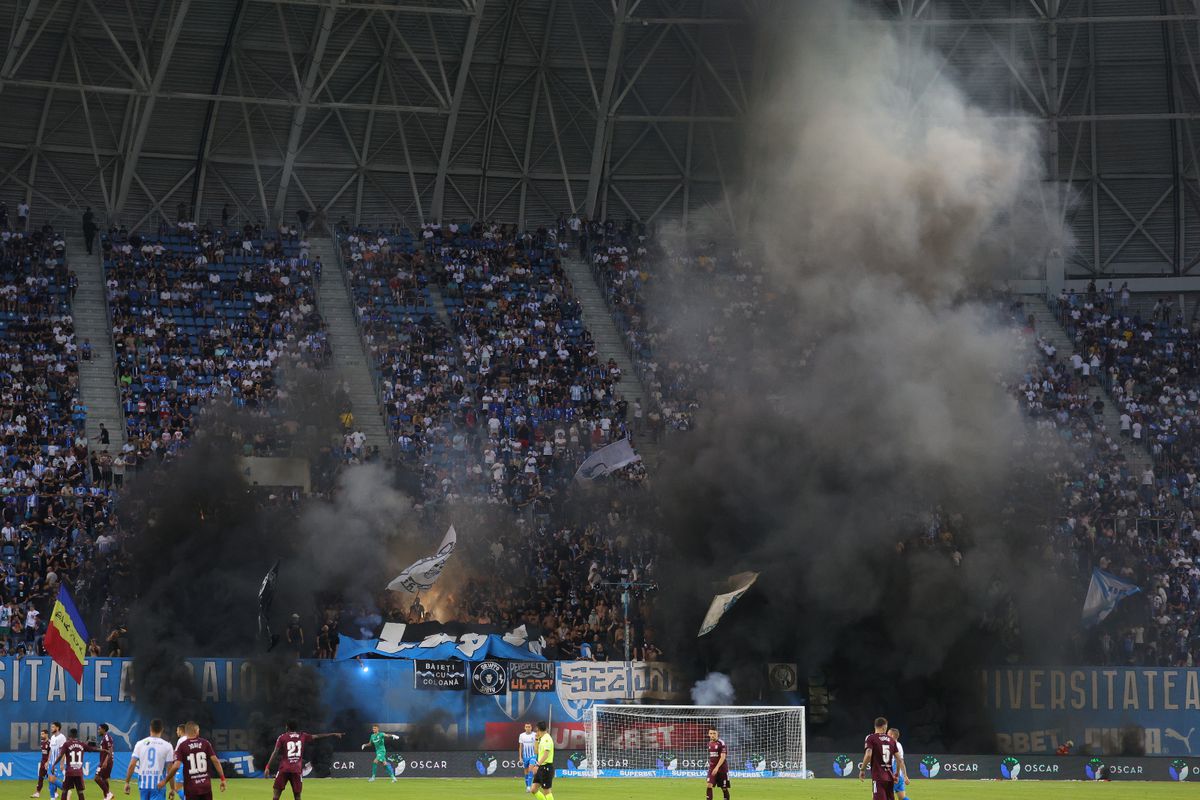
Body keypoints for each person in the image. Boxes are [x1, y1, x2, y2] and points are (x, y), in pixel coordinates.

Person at [263, 720, 342, 799]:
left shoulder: (282, 737)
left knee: (276, 794)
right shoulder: (302, 736)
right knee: (297, 796)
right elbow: (317, 736)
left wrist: (267, 767)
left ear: (287, 727)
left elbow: (275, 752)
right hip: (296, 770)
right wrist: (333, 734)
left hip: (284, 769)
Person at [159, 722, 225, 800]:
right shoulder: (205, 743)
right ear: (196, 731)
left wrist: (165, 780)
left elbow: (176, 765)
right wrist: (223, 779)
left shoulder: (182, 745)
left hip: (191, 787)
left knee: (178, 787)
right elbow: (215, 761)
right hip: (205, 786)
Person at [124, 718, 176, 800]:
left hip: (143, 786)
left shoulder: (140, 744)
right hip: (159, 786)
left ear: (150, 728)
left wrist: (127, 782)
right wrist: (172, 788)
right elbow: (170, 769)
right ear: (162, 730)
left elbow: (132, 765)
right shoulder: (167, 746)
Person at [859, 717, 897, 800]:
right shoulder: (892, 740)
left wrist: (862, 769)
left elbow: (868, 755)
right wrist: (897, 773)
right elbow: (899, 759)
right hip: (890, 777)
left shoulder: (871, 738)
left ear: (875, 726)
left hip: (878, 777)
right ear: (884, 727)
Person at [50, 728, 87, 800]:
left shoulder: (67, 743)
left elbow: (61, 755)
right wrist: (102, 750)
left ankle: (54, 795)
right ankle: (53, 795)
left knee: (64, 790)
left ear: (70, 735)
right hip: (79, 772)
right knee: (80, 792)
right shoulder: (81, 743)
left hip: (69, 772)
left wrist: (54, 764)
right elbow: (92, 748)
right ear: (77, 735)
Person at [531, 720, 554, 800]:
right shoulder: (541, 738)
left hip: (546, 767)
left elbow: (546, 754)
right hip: (541, 767)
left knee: (547, 791)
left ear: (538, 729)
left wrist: (537, 765)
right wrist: (536, 740)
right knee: (533, 789)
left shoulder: (547, 739)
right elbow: (536, 751)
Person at [706, 727, 730, 800]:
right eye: (711, 733)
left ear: (717, 734)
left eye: (714, 733)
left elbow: (723, 757)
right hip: (712, 769)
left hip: (722, 769)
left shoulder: (721, 743)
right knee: (709, 785)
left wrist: (717, 767)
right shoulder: (709, 744)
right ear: (708, 734)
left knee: (724, 788)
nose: (712, 735)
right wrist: (712, 767)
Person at [886, 728, 909, 800]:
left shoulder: (892, 745)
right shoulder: (899, 745)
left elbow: (898, 761)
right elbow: (902, 762)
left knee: (886, 796)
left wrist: (896, 774)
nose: (886, 735)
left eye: (888, 734)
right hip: (900, 776)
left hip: (894, 775)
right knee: (902, 798)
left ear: (892, 735)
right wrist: (905, 776)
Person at [47, 722, 67, 800]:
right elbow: (51, 750)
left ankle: (66, 790)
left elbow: (64, 751)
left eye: (53, 727)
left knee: (52, 779)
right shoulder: (52, 737)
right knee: (50, 780)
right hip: (51, 762)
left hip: (57, 763)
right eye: (51, 727)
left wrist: (61, 763)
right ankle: (52, 798)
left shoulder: (62, 737)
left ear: (57, 728)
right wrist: (48, 761)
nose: (51, 728)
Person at [94, 723, 114, 800]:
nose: (98, 730)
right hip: (105, 761)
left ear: (103, 729)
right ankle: (106, 797)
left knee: (97, 778)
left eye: (99, 729)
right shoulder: (104, 738)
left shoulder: (107, 737)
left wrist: (105, 761)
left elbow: (110, 750)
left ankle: (108, 794)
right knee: (104, 779)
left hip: (106, 762)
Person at [517, 722, 538, 793]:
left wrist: (537, 754)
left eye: (529, 727)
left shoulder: (535, 735)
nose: (528, 728)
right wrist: (520, 757)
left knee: (531, 769)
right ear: (524, 728)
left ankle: (529, 786)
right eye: (526, 727)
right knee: (526, 771)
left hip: (533, 755)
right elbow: (520, 747)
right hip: (525, 756)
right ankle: (527, 786)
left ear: (531, 727)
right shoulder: (522, 735)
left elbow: (538, 745)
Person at [31, 729, 50, 798]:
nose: (41, 735)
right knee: (40, 778)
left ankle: (56, 792)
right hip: (43, 763)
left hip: (49, 763)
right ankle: (37, 793)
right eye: (41, 734)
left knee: (51, 778)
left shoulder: (50, 743)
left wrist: (48, 762)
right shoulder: (42, 742)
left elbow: (51, 754)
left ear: (46, 734)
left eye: (42, 734)